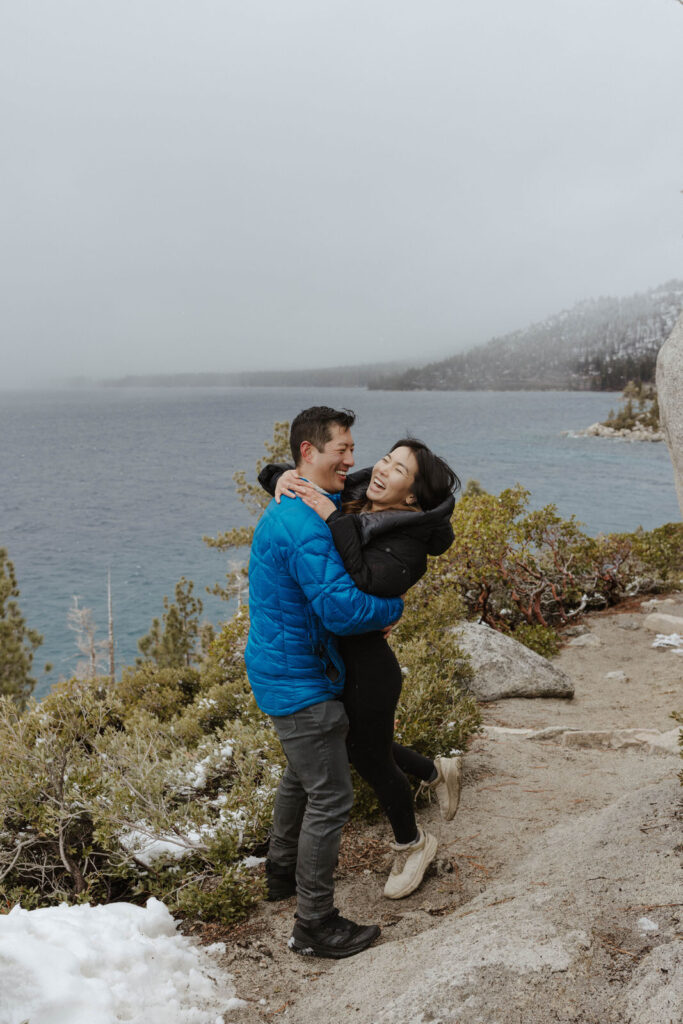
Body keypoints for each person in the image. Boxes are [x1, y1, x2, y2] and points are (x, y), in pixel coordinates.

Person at [260, 438, 463, 900]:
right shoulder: (357, 495)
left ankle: (413, 844)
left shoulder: (408, 541)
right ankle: (435, 771)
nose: (382, 469)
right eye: (386, 458)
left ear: (411, 496)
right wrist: (281, 478)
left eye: (398, 469)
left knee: (368, 756)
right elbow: (279, 472)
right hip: (335, 661)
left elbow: (361, 583)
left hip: (368, 669)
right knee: (356, 746)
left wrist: (333, 520)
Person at [245, 406, 404, 960]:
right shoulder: (302, 522)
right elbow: (339, 608)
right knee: (331, 796)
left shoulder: (310, 502)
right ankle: (314, 923)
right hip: (298, 678)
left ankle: (281, 874)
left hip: (288, 667)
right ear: (310, 453)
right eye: (343, 449)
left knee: (301, 775)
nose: (353, 459)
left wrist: (272, 474)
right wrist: (391, 605)